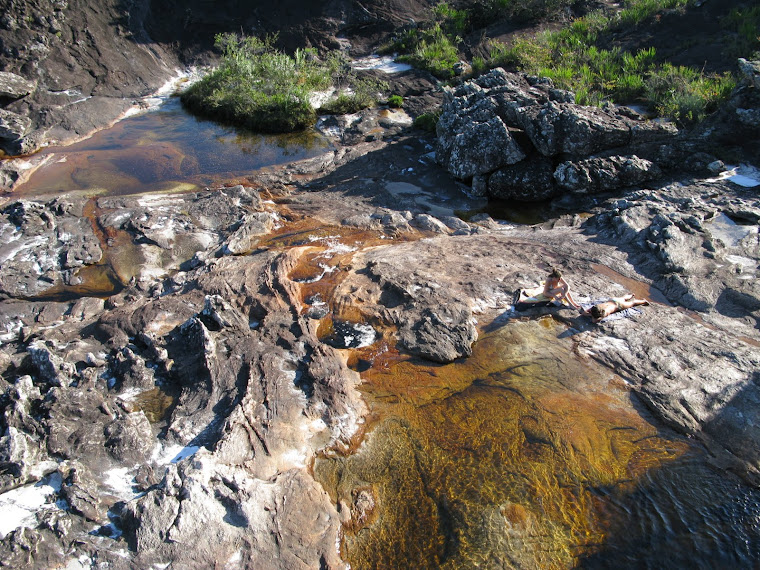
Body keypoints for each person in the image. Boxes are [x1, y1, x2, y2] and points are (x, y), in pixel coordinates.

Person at [585, 294, 649, 322]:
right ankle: (631, 295)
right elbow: (589, 310)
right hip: (613, 300)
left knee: (633, 303)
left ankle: (644, 301)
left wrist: (590, 315)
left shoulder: (605, 313)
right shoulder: (598, 306)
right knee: (623, 298)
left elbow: (594, 321)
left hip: (619, 305)